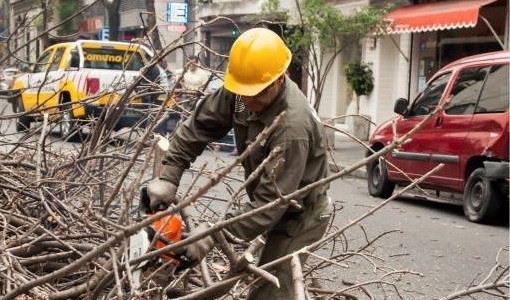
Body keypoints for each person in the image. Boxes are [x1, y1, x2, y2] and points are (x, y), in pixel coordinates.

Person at [147, 27, 332, 300]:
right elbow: (199, 125)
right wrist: (169, 175)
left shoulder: (292, 127)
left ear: (280, 80)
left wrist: (213, 235)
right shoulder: (244, 88)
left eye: (256, 96)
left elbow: (272, 202)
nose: (247, 101)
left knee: (270, 294)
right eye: (243, 93)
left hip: (300, 214)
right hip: (268, 199)